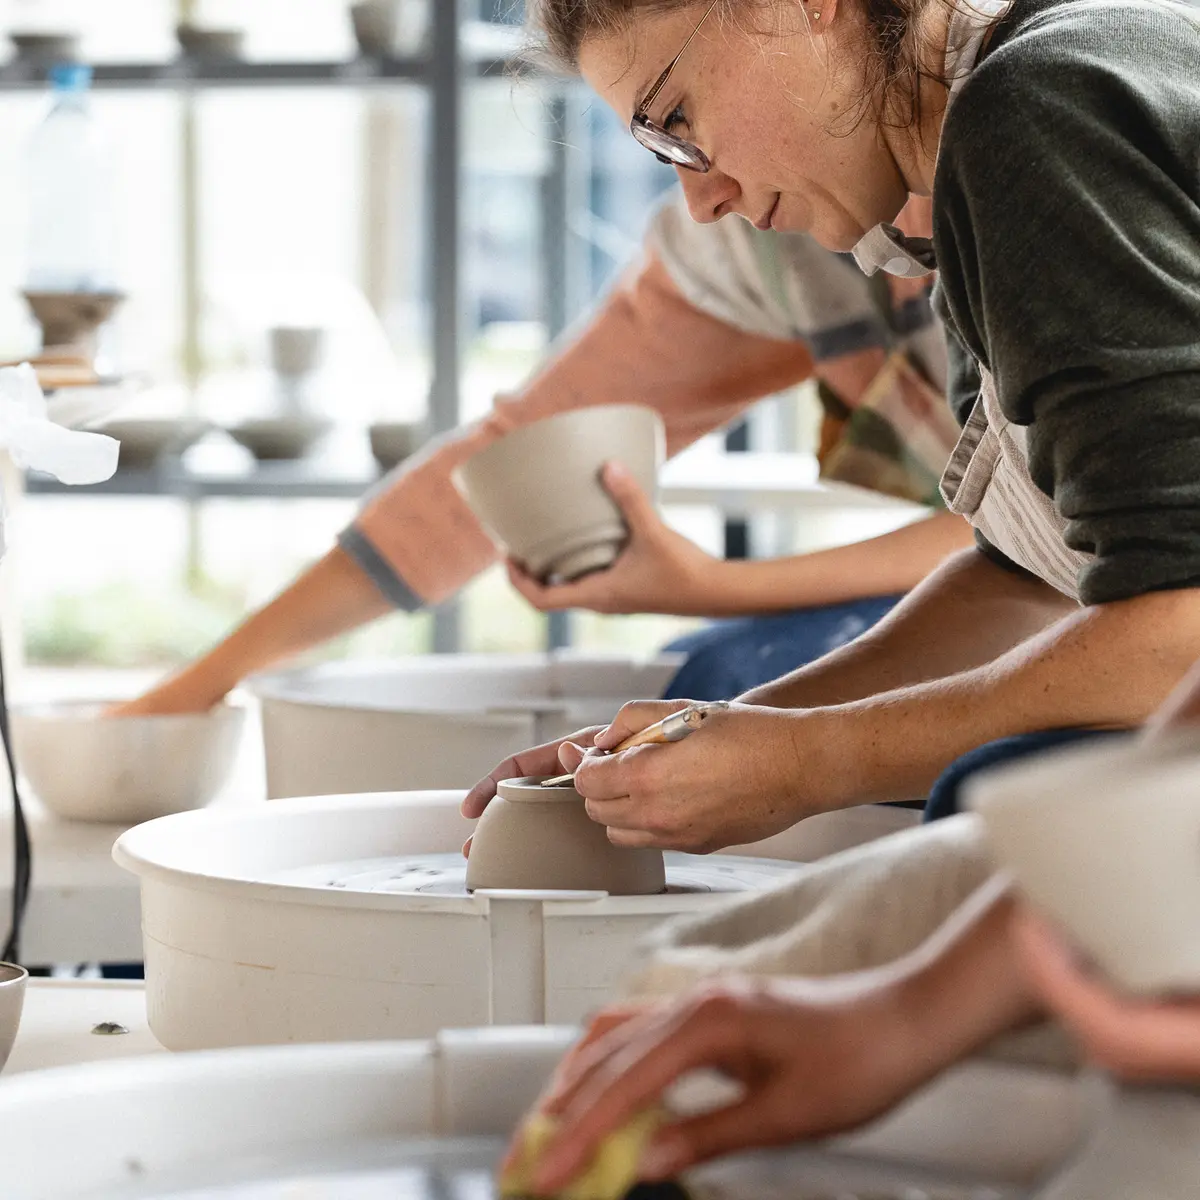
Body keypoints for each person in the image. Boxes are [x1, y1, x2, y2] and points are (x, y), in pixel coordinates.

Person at [463, 0, 1200, 846]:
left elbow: (1180, 624)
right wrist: (713, 734)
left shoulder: (1037, 110)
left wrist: (813, 760)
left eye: (677, 121)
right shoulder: (961, 165)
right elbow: (1029, 583)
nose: (699, 199)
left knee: (989, 798)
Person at [113, 192, 971, 718]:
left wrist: (715, 585)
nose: (697, 190)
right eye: (656, 137)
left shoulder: (1022, 153)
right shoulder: (754, 227)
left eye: (682, 109)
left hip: (1085, 601)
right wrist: (193, 690)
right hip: (1006, 581)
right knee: (701, 685)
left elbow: (1039, 526)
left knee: (739, 683)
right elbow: (506, 464)